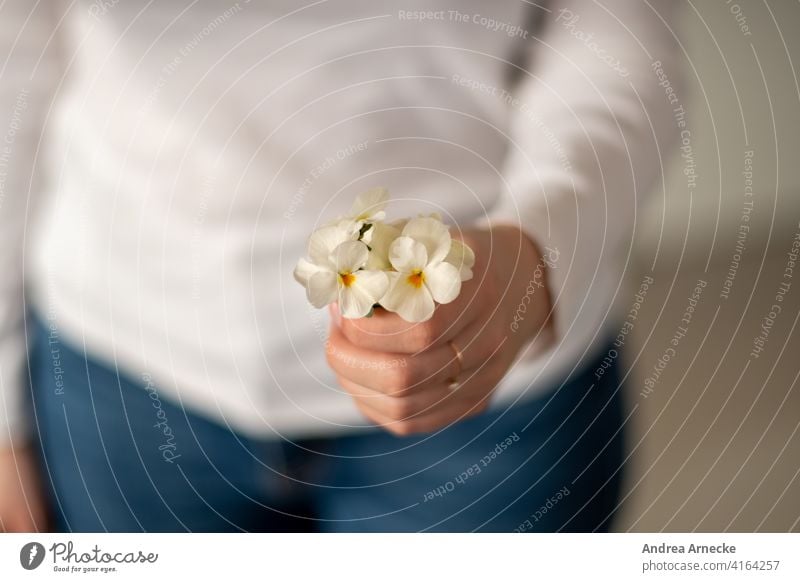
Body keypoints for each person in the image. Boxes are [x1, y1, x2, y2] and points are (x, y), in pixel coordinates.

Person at [0, 0, 680, 532]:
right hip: (122, 366)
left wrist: (538, 246)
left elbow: (615, 35)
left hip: (490, 384)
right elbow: (13, 61)